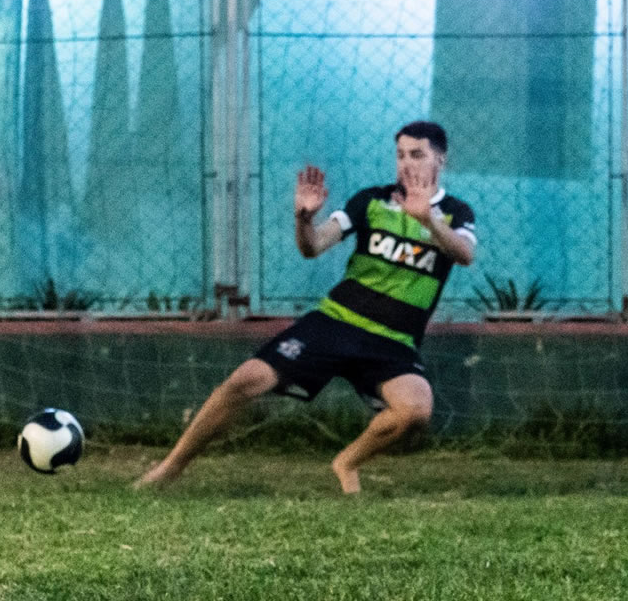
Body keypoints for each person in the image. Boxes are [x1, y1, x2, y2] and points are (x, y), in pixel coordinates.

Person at [137, 122, 475, 494]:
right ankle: (170, 467)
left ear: (440, 159)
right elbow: (313, 247)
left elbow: (464, 254)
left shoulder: (456, 213)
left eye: (417, 155)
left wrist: (428, 220)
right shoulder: (371, 201)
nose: (406, 163)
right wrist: (304, 219)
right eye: (400, 155)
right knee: (243, 381)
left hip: (393, 340)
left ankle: (347, 461)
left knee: (416, 411)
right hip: (336, 322)